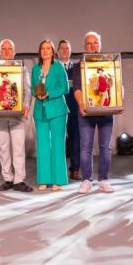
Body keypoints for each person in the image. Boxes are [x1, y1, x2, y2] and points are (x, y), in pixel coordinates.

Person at [73, 31, 115, 193]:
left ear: (100, 45)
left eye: (95, 43)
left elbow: (115, 84)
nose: (92, 46)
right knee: (86, 147)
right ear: (85, 47)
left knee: (105, 147)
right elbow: (77, 88)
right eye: (89, 44)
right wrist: (82, 104)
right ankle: (86, 180)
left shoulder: (109, 64)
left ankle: (103, 179)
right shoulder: (79, 66)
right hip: (86, 111)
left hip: (105, 110)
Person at [0, 39, 33, 192]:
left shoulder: (21, 68)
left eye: (10, 49)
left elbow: (27, 90)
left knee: (18, 147)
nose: (7, 51)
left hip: (17, 114)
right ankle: (8, 178)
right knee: (3, 148)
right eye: (4, 49)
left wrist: (26, 106)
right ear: (0, 52)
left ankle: (19, 180)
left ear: (14, 52)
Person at [31, 39, 69, 190]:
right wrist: (37, 94)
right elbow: (33, 88)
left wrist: (49, 94)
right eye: (43, 49)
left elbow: (65, 88)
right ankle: (44, 179)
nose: (45, 51)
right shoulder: (35, 69)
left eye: (48, 48)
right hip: (40, 111)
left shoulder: (58, 67)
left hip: (58, 110)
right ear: (40, 52)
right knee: (43, 145)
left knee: (58, 144)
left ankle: (57, 180)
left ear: (53, 52)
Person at [58, 39, 81, 180]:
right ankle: (60, 170)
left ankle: (75, 169)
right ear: (58, 51)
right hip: (58, 108)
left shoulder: (78, 67)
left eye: (67, 48)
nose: (65, 51)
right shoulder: (53, 67)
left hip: (74, 107)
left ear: (70, 51)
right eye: (62, 48)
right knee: (59, 140)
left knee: (75, 140)